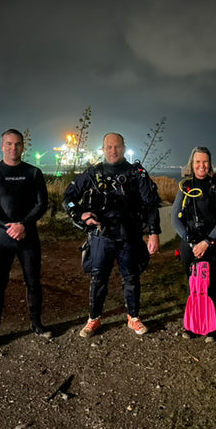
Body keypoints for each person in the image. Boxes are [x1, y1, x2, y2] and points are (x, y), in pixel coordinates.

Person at [62, 132, 161, 338]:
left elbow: (151, 204)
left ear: (124, 148)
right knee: (98, 278)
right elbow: (68, 198)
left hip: (130, 235)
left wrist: (153, 233)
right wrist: (80, 214)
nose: (113, 151)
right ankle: (94, 318)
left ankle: (133, 317)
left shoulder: (136, 173)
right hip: (102, 235)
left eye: (117, 147)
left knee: (131, 278)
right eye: (109, 147)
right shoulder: (92, 173)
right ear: (103, 149)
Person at [0, 129, 50, 350]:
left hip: (28, 236)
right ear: (2, 146)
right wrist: (7, 226)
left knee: (33, 282)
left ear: (23, 146)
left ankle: (37, 324)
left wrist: (23, 224)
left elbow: (42, 204)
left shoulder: (33, 172)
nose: (13, 148)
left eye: (17, 144)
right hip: (1, 238)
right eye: (8, 144)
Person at [172, 146, 216, 342]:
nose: (202, 165)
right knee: (193, 285)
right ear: (192, 164)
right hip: (190, 244)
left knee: (214, 286)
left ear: (210, 164)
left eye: (205, 162)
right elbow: (175, 218)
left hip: (213, 244)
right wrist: (190, 241)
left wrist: (207, 241)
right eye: (198, 161)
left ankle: (213, 327)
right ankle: (193, 325)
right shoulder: (185, 187)